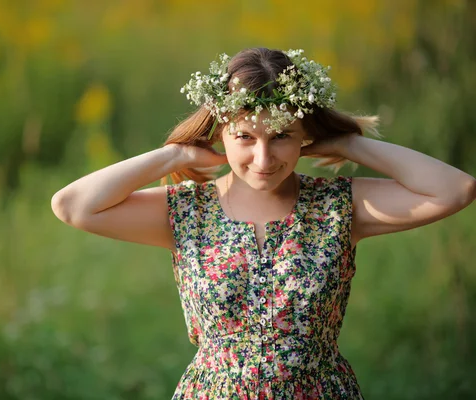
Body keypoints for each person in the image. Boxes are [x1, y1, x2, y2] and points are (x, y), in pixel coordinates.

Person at [51, 47, 476, 399]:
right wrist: (176, 155)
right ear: (220, 131)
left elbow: (455, 189)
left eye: (281, 135)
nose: (263, 158)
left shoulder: (338, 207)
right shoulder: (186, 212)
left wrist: (348, 143)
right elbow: (72, 205)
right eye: (245, 137)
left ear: (304, 132)